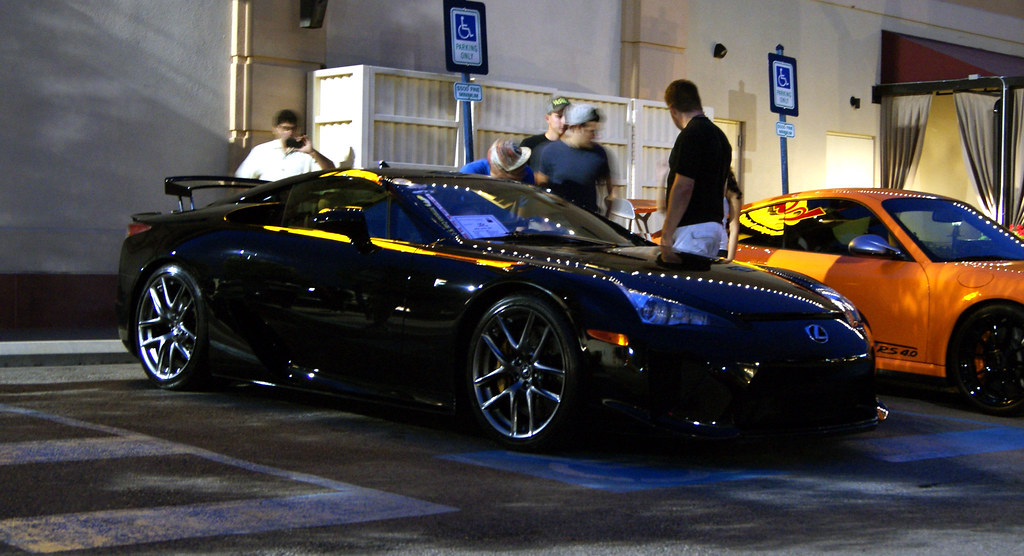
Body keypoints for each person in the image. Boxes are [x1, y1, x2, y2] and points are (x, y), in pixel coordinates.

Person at [660, 79, 732, 258]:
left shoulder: (690, 135)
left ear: (673, 110)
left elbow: (683, 186)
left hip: (692, 229)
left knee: (682, 282)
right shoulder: (721, 137)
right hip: (714, 228)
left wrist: (667, 232)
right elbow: (722, 188)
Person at [535, 103, 614, 215]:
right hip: (557, 222)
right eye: (591, 131)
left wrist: (607, 217)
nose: (595, 136)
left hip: (588, 222)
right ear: (576, 127)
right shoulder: (550, 152)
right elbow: (540, 188)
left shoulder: (599, 153)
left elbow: (611, 191)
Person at [235, 109, 336, 180]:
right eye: (285, 128)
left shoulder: (305, 153)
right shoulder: (261, 151)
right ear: (276, 129)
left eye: (293, 129)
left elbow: (331, 171)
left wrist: (313, 152)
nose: (290, 133)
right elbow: (241, 178)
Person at [519, 96, 570, 169]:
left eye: (567, 116)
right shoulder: (530, 145)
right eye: (559, 116)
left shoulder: (573, 149)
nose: (564, 121)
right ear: (547, 118)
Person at [460, 139, 534, 184]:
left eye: (521, 166)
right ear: (496, 167)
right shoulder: (471, 173)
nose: (521, 173)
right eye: (513, 171)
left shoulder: (526, 173)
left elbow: (525, 206)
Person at [720, 170, 743, 262]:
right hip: (694, 242)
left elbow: (734, 227)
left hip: (719, 246)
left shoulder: (731, 190)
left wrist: (730, 258)